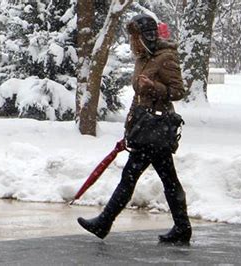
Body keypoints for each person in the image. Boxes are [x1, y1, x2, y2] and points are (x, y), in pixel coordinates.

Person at [77, 14, 191, 245]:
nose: (132, 43)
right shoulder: (143, 58)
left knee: (131, 178)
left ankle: (104, 222)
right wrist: (130, 126)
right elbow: (139, 97)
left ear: (146, 36)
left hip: (156, 128)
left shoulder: (165, 57)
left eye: (135, 37)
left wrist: (155, 87)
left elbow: (178, 91)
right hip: (144, 128)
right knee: (168, 180)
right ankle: (182, 227)